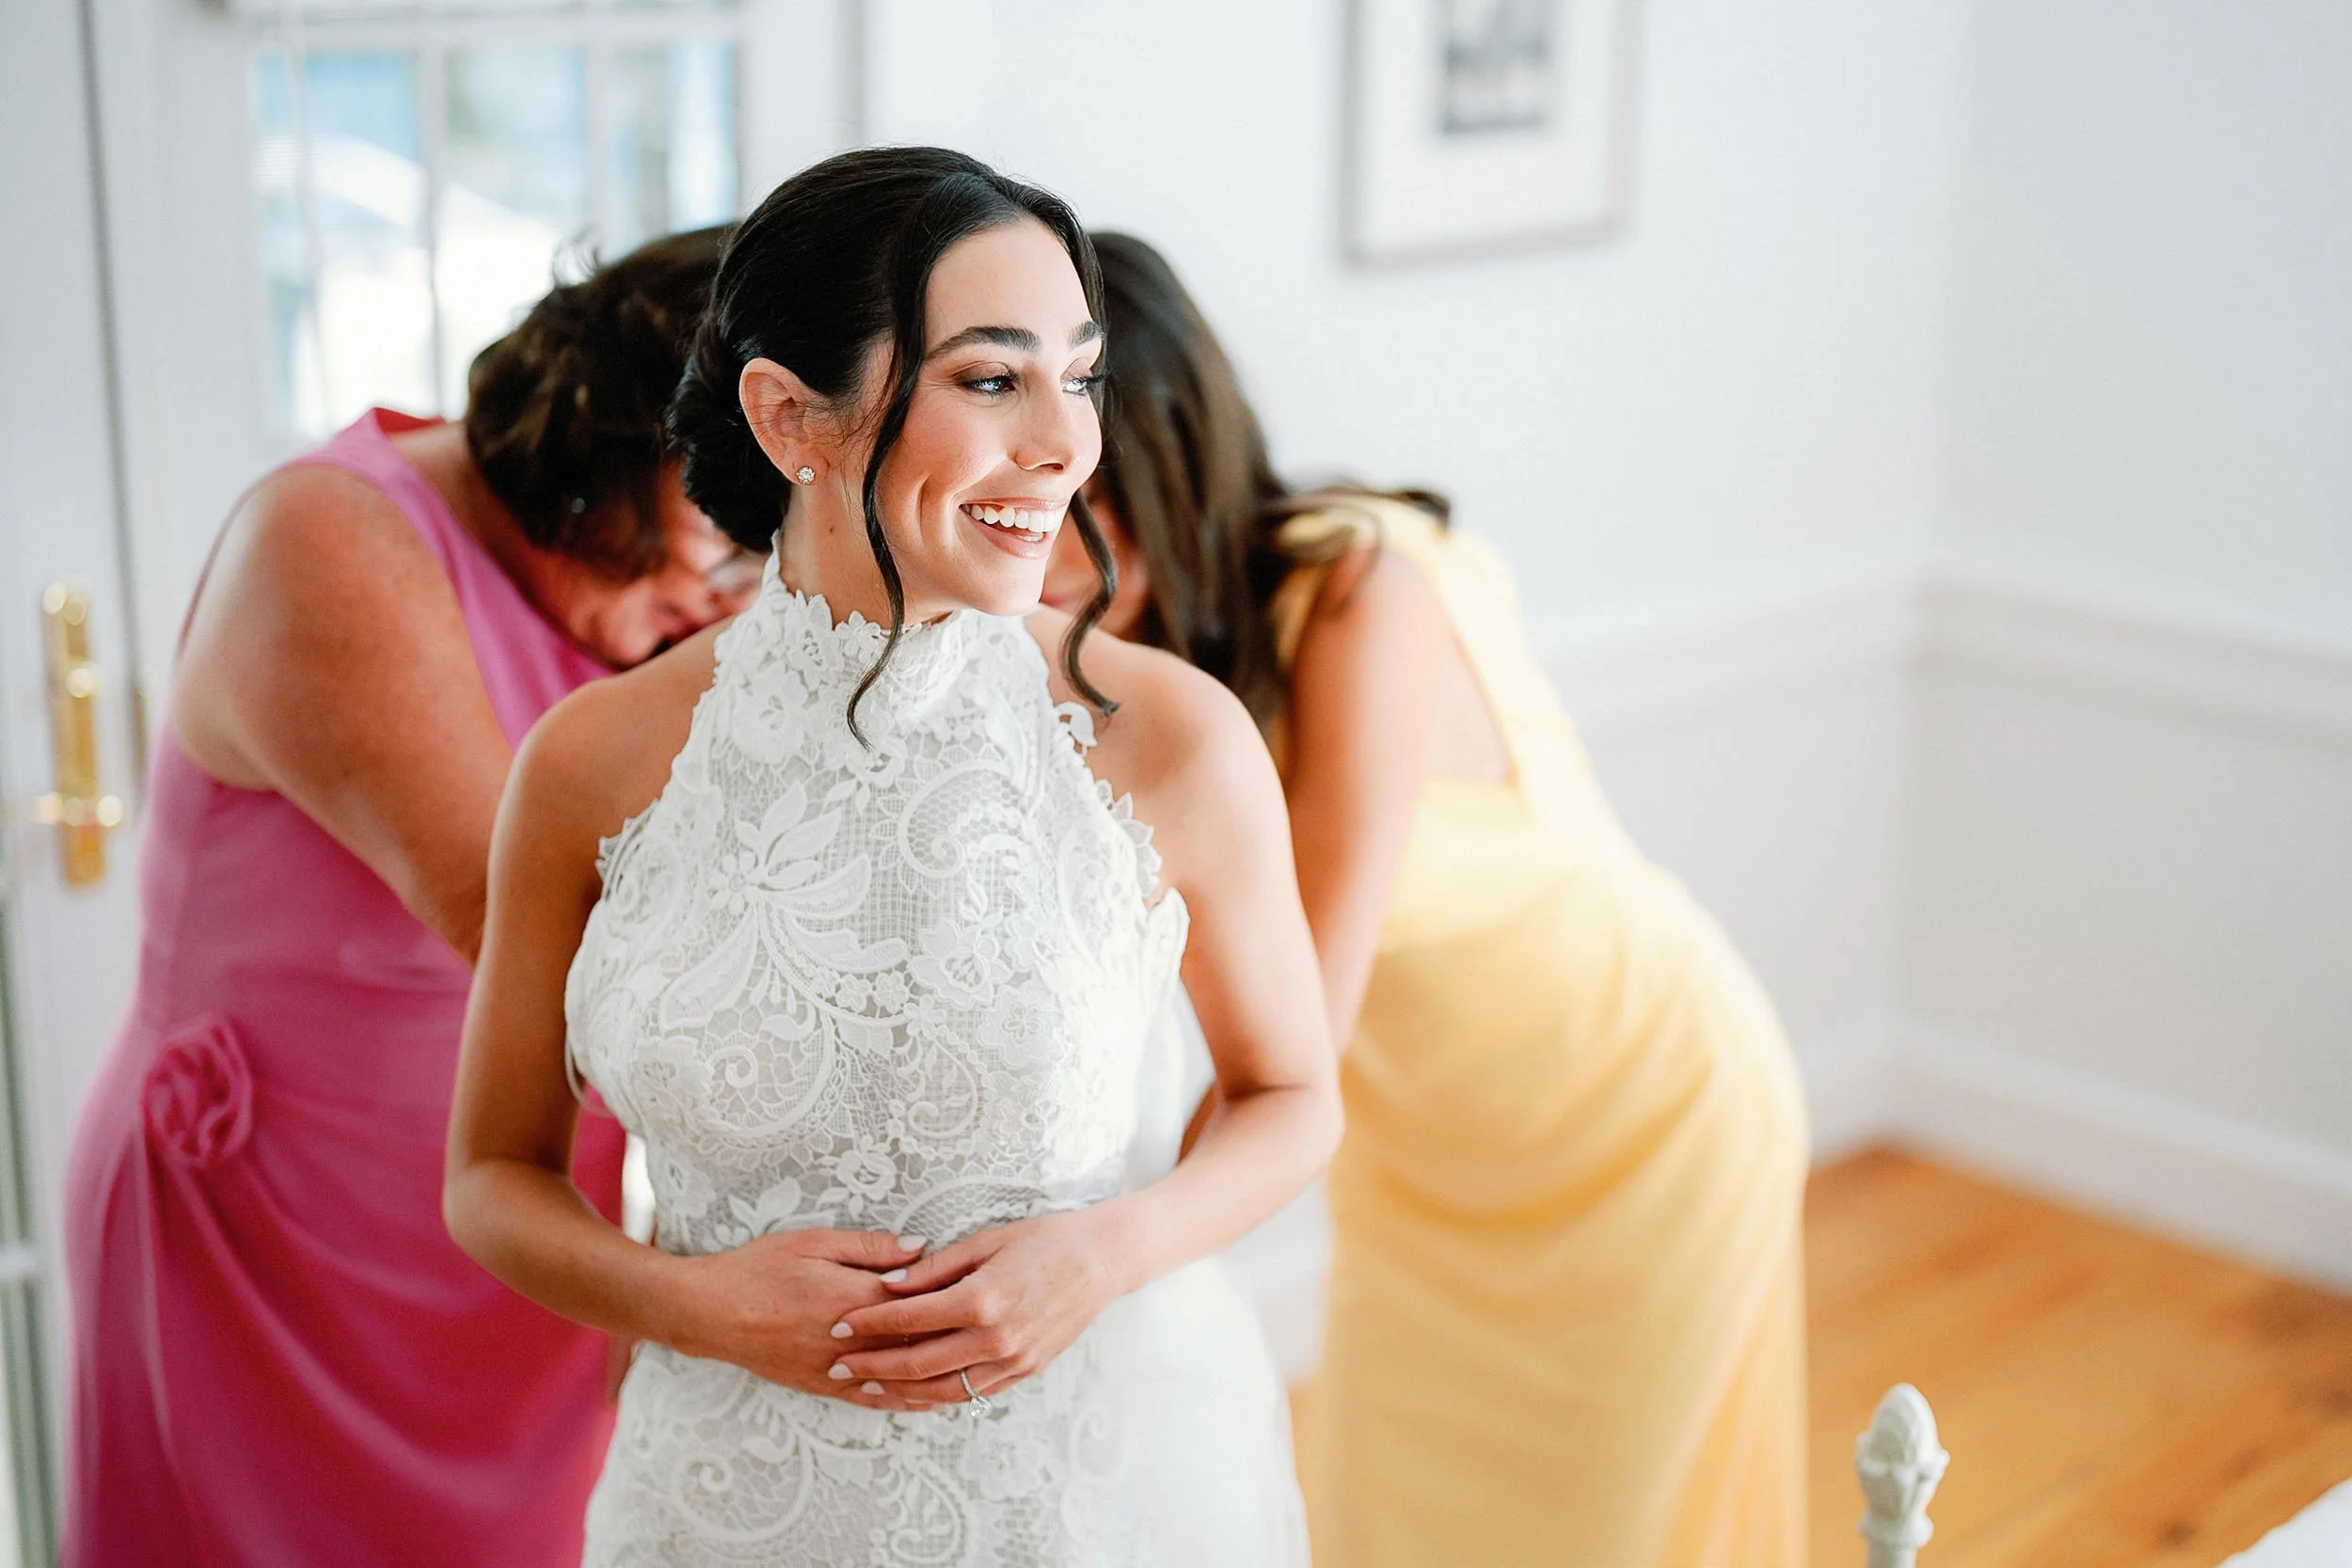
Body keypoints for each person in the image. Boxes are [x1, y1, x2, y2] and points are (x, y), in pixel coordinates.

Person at [441, 149, 1340, 1567]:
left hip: (1085, 1497)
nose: (1066, 444)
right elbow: (491, 1176)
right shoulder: (588, 767)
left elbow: (1296, 1096)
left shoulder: (1168, 735)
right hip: (723, 1497)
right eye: (994, 379)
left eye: (1080, 375)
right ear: (791, 414)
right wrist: (697, 1304)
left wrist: (1105, 1253)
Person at [1040, 232, 1812, 1568]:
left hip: (1634, 1117)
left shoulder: (1353, 594)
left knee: (1612, 1531)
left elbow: (1302, 1021)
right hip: (1429, 1163)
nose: (1045, 543)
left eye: (1082, 496)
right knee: (1399, 1519)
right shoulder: (1118, 660)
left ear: (1171, 464)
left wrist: (1099, 1267)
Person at [62, 226, 758, 1568]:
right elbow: (533, 933)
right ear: (610, 457)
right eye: (714, 541)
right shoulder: (331, 539)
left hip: (516, 1233)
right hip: (283, 1240)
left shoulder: (653, 594)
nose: (723, 596)